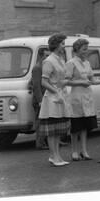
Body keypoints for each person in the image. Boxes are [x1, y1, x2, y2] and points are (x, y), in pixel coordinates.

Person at [65, 38, 100, 161]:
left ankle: (84, 150)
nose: (86, 51)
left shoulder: (87, 63)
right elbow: (66, 81)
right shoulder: (71, 63)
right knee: (76, 127)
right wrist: (81, 82)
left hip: (87, 97)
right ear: (77, 50)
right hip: (76, 97)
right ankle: (74, 151)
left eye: (87, 49)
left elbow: (92, 81)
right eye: (84, 49)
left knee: (85, 126)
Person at [38, 33, 71, 167]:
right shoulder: (49, 60)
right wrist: (56, 91)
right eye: (62, 44)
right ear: (56, 45)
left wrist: (65, 82)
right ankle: (53, 156)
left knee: (58, 129)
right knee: (52, 130)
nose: (64, 46)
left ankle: (57, 156)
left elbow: (61, 78)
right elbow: (44, 82)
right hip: (52, 98)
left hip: (61, 95)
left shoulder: (61, 59)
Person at [31, 48, 51, 149]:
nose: (47, 58)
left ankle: (49, 142)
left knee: (47, 121)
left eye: (49, 56)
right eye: (46, 56)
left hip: (46, 98)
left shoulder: (44, 67)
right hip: (40, 100)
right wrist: (40, 100)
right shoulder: (37, 68)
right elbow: (36, 86)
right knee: (40, 122)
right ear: (40, 56)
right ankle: (40, 143)